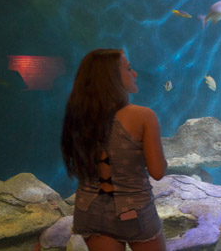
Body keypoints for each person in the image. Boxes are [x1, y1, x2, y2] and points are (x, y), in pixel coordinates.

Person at [60, 49, 167, 251]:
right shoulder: (144, 116)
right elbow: (158, 172)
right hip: (134, 211)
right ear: (110, 77)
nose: (134, 73)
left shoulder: (78, 118)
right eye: (128, 68)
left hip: (88, 210)